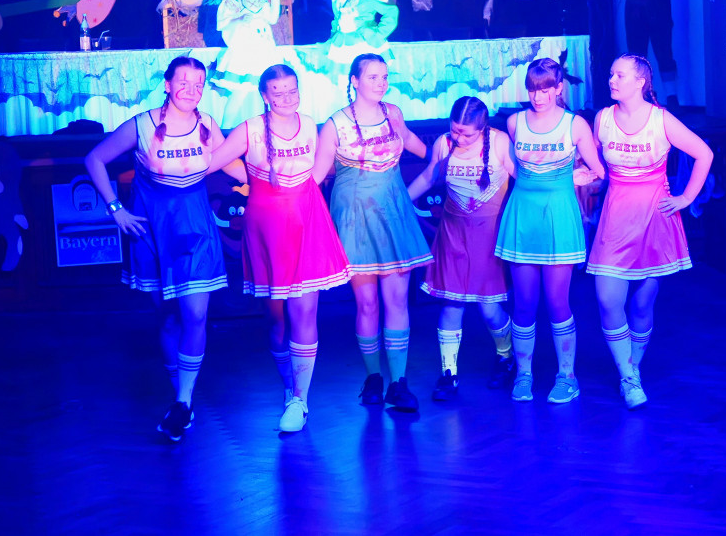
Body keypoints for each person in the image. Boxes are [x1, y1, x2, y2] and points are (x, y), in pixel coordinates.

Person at [83, 57, 247, 441]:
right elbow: (94, 159)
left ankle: (184, 401)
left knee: (196, 315)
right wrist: (115, 209)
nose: (191, 89)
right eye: (184, 81)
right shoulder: (141, 125)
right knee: (170, 318)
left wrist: (269, 179)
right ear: (168, 84)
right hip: (153, 232)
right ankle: (179, 399)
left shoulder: (207, 125)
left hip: (195, 230)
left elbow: (234, 167)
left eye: (199, 83)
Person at [205, 64, 350, 432]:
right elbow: (211, 162)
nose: (286, 97)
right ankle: (289, 386)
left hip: (308, 222)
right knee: (276, 319)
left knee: (305, 311)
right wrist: (249, 176)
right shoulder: (251, 129)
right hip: (268, 228)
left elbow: (318, 172)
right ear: (264, 96)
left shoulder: (311, 124)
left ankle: (300, 399)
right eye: (278, 91)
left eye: (292, 90)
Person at [587, 54, 713, 409]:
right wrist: (587, 177)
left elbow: (704, 154)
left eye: (620, 75)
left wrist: (686, 197)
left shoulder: (661, 119)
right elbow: (595, 165)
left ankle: (631, 372)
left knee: (642, 303)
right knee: (607, 299)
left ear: (640, 82)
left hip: (653, 221)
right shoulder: (602, 119)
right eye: (611, 74)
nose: (612, 80)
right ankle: (628, 376)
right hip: (615, 218)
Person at [312, 54, 432, 412]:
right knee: (367, 303)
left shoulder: (393, 113)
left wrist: (453, 154)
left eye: (385, 76)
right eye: (373, 77)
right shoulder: (335, 124)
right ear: (354, 80)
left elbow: (418, 146)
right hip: (355, 219)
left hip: (393, 214)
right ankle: (373, 378)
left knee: (397, 300)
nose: (381, 83)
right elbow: (316, 175)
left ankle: (399, 383)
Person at [495, 58, 605, 405]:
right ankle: (524, 374)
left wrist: (574, 177)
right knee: (524, 303)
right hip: (523, 217)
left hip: (558, 217)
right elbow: (515, 168)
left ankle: (567, 376)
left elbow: (600, 170)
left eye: (545, 89)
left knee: (558, 302)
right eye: (532, 89)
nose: (538, 96)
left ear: (558, 88)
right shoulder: (514, 122)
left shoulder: (575, 125)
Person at [406, 97, 518, 400]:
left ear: (482, 129)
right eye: (454, 130)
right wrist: (401, 200)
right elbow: (429, 176)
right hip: (453, 237)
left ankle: (506, 356)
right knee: (451, 304)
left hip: (488, 239)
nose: (459, 138)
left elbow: (524, 181)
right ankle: (448, 374)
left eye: (466, 133)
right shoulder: (444, 144)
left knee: (489, 309)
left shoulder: (500, 143)